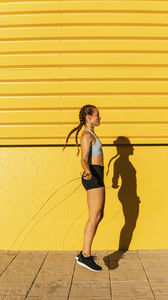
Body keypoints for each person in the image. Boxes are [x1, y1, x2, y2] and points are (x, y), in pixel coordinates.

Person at [63, 104, 105, 272]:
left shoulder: (92, 134)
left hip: (97, 174)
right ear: (89, 117)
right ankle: (85, 256)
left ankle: (84, 254)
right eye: (97, 115)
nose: (99, 118)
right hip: (93, 174)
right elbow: (83, 159)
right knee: (94, 216)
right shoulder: (86, 135)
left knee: (98, 215)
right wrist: (88, 172)